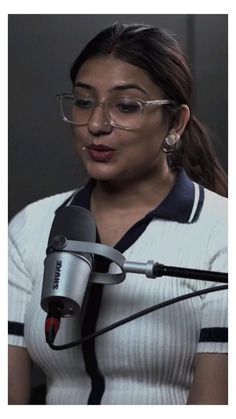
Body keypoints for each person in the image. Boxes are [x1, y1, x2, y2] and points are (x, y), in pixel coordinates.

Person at [8, 22, 228, 405]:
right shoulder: (29, 226)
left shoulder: (222, 232)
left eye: (126, 106)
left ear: (175, 123)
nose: (95, 125)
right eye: (84, 101)